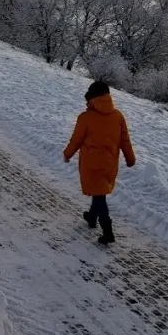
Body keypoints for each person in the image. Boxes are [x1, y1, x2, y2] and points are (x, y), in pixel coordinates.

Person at [63, 80, 136, 245]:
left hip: (91, 164)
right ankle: (91, 217)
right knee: (99, 192)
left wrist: (67, 154)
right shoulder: (118, 116)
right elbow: (125, 140)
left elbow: (76, 140)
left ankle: (108, 232)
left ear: (91, 97)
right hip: (110, 164)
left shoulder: (85, 117)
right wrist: (130, 158)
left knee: (99, 196)